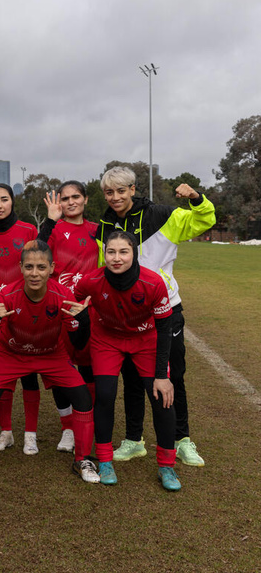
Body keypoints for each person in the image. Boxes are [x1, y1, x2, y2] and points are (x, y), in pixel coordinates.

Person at [97, 167, 215, 467]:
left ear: (132, 189)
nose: (115, 197)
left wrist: (196, 198)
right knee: (132, 380)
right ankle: (133, 440)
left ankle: (181, 440)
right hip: (126, 315)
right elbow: (103, 265)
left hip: (166, 310)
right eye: (109, 192)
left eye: (120, 190)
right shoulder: (105, 224)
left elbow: (204, 221)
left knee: (172, 376)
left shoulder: (162, 215)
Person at [0, 240, 98, 484]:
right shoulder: (7, 294)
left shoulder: (63, 295)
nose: (34, 273)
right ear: (20, 268)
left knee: (83, 398)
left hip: (51, 354)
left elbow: (78, 343)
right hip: (10, 354)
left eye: (41, 267)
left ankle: (83, 459)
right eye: (29, 267)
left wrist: (84, 321)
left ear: (51, 268)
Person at [75, 231, 180, 490]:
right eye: (111, 252)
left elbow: (164, 328)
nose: (117, 258)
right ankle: (105, 460)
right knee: (105, 394)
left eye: (124, 252)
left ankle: (166, 466)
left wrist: (162, 375)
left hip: (145, 340)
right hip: (107, 340)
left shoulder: (153, 282)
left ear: (134, 253)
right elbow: (74, 303)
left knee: (161, 396)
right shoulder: (91, 281)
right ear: (104, 254)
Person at [0, 183, 41, 455]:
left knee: (29, 374)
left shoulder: (28, 231)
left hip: (26, 312)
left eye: (4, 199)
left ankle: (31, 435)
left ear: (12, 202)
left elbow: (39, 269)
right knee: (3, 376)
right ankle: (6, 432)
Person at [38, 181, 99, 452]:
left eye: (76, 197)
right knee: (59, 370)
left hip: (89, 312)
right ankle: (68, 428)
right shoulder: (54, 229)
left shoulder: (98, 230)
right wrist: (51, 221)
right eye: (65, 198)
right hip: (58, 311)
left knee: (88, 369)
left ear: (86, 199)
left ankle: (87, 423)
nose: (71, 202)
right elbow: (36, 250)